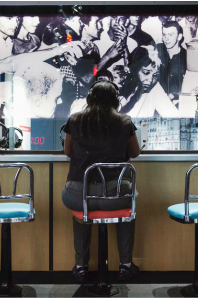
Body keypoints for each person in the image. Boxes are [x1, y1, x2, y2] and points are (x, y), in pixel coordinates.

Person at [62, 80, 141, 283]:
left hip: (77, 195)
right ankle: (125, 265)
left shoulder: (75, 119)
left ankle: (80, 266)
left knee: (83, 212)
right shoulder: (125, 121)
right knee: (128, 208)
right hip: (115, 197)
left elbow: (68, 151)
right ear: (115, 100)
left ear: (89, 99)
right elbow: (135, 152)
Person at [119, 46, 179, 118]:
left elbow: (173, 115)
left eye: (155, 75)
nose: (150, 80)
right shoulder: (118, 88)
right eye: (146, 72)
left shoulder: (154, 88)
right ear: (134, 70)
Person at [157, 21, 187, 104]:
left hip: (178, 102)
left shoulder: (187, 58)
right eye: (164, 35)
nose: (166, 39)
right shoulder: (157, 51)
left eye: (170, 35)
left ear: (179, 37)